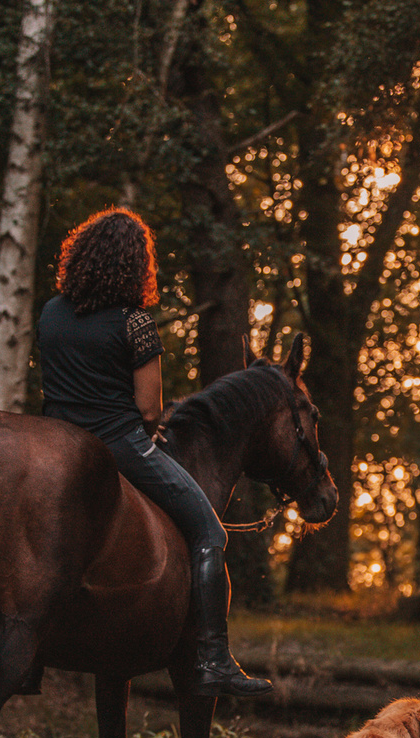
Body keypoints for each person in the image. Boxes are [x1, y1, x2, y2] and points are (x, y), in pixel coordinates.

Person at [35, 208, 270, 697]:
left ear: (80, 256)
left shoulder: (51, 312)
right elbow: (148, 409)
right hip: (119, 445)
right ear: (134, 266)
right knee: (208, 531)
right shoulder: (136, 323)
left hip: (55, 445)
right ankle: (213, 660)